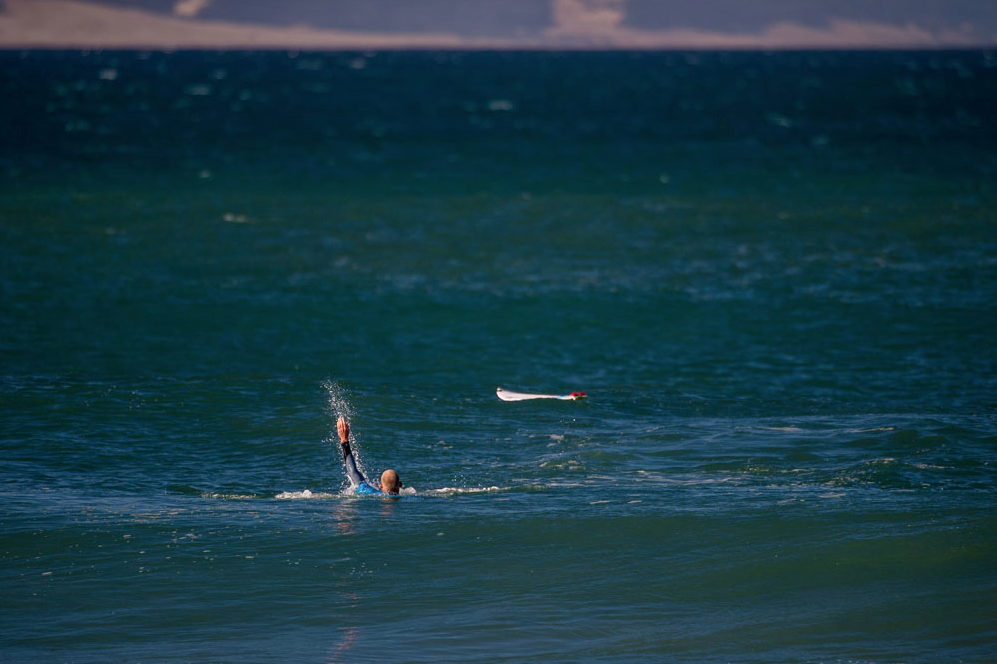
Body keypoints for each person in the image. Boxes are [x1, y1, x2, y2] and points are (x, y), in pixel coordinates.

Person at [337, 416, 402, 495]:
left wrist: (344, 440)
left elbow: (353, 472)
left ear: (380, 486)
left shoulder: (368, 492)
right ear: (400, 485)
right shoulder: (412, 496)